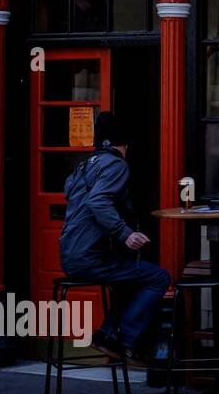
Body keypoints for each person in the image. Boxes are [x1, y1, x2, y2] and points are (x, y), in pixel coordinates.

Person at [59, 112, 170, 362]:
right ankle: (125, 338)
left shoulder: (84, 165)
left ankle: (107, 334)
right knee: (159, 277)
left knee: (130, 275)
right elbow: (98, 201)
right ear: (124, 145)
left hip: (69, 256)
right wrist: (125, 233)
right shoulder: (117, 164)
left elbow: (68, 191)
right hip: (90, 259)